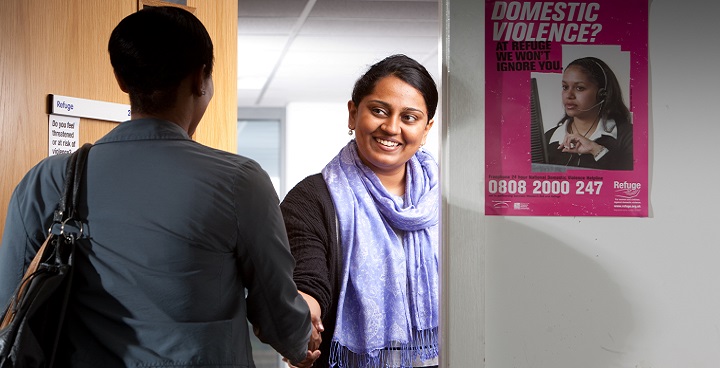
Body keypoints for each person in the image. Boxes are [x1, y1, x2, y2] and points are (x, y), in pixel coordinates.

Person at [0, 6, 319, 368]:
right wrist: (300, 342)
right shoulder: (240, 181)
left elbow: (6, 302)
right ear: (201, 79)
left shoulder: (50, 179)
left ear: (122, 80)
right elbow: (276, 313)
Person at [280, 54, 440, 368]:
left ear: (426, 128)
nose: (391, 127)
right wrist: (303, 317)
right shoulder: (311, 199)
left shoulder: (450, 202)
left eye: (409, 117)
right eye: (378, 111)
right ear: (353, 114)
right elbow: (308, 280)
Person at [545, 56, 633, 170]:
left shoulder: (628, 135)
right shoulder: (548, 139)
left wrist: (596, 150)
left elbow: (632, 183)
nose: (569, 95)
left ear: (602, 94)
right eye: (565, 87)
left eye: (579, 88)